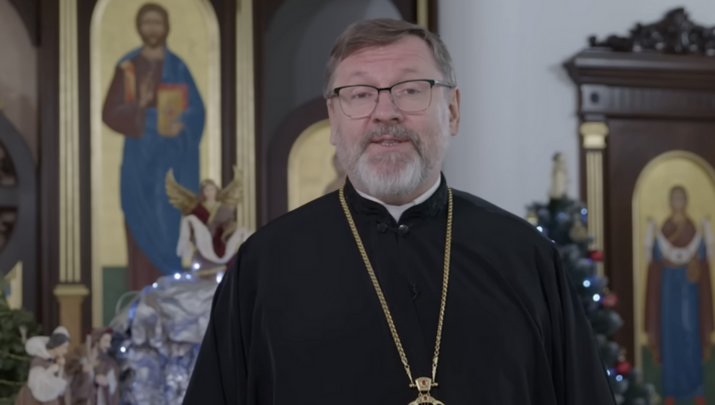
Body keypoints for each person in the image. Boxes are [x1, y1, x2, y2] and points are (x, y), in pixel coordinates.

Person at [183, 18, 615, 404]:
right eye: (359, 94)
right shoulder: (266, 264)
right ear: (333, 118)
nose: (385, 113)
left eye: (410, 90)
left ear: (452, 111)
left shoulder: (526, 256)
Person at [102, 3, 205, 291]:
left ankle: (169, 296)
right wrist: (142, 110)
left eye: (157, 22)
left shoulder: (178, 67)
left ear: (166, 27)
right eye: (147, 22)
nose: (152, 28)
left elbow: (197, 112)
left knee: (167, 224)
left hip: (170, 163)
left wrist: (182, 124)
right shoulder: (128, 67)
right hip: (139, 160)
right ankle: (139, 296)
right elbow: (110, 112)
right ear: (139, 27)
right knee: (137, 221)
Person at [645, 186, 713, 405]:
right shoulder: (665, 228)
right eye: (674, 197)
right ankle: (671, 391)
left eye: (681, 197)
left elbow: (702, 254)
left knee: (690, 332)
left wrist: (703, 241)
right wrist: (653, 238)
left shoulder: (692, 228)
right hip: (668, 291)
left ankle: (696, 389)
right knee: (671, 335)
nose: (678, 201)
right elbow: (656, 256)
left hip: (689, 291)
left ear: (686, 200)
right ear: (669, 201)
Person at [14, 327, 71, 405]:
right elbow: (37, 383)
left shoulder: (55, 360)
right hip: (35, 400)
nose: (65, 351)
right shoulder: (38, 361)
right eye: (64, 348)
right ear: (56, 346)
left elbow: (61, 386)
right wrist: (50, 370)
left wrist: (61, 367)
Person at [64, 328, 121, 405]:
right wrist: (81, 370)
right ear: (96, 342)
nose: (108, 345)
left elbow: (113, 386)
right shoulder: (78, 356)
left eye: (109, 341)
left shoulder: (108, 363)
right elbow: (68, 378)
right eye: (106, 341)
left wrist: (106, 382)